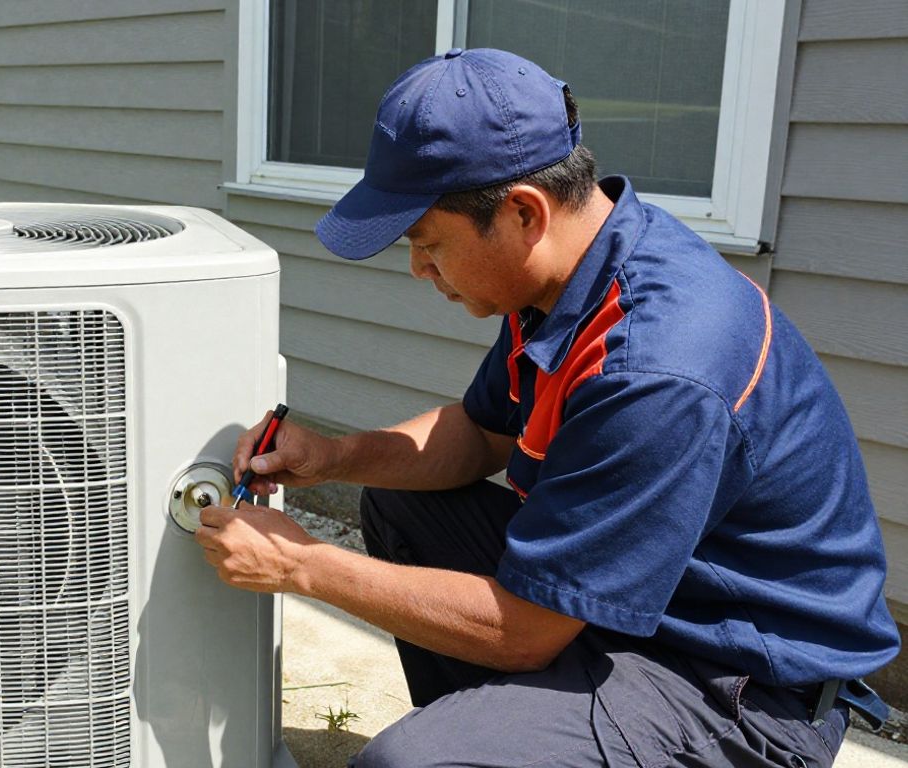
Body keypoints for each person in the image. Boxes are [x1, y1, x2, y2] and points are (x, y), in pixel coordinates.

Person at [193, 48, 899, 768]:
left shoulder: (656, 368)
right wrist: (334, 456)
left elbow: (524, 632)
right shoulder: (570, 275)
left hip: (741, 687)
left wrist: (297, 561)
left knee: (409, 763)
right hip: (644, 609)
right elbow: (478, 435)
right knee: (404, 509)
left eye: (429, 245)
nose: (418, 270)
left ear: (523, 212)